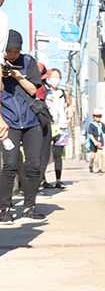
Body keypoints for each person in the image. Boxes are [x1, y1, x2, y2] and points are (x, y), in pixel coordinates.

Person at [1, 29, 46, 223]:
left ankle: (29, 206)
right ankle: (4, 209)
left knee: (34, 165)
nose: (12, 55)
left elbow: (33, 90)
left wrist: (18, 75)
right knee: (9, 165)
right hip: (8, 123)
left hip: (31, 122)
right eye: (8, 51)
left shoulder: (29, 62)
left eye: (15, 51)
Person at [41, 68, 68, 189]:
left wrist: (69, 117)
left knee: (57, 154)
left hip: (61, 126)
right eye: (53, 77)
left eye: (58, 77)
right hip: (47, 125)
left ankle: (58, 180)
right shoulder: (45, 91)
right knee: (45, 154)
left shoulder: (63, 92)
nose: (55, 80)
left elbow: (70, 105)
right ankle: (43, 180)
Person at [85, 108, 105, 174]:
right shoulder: (92, 125)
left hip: (100, 142)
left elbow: (104, 133)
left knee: (100, 155)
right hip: (93, 143)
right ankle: (91, 165)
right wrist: (95, 142)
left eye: (99, 116)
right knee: (93, 156)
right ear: (93, 117)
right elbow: (90, 135)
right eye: (96, 116)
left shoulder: (102, 125)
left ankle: (100, 169)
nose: (98, 118)